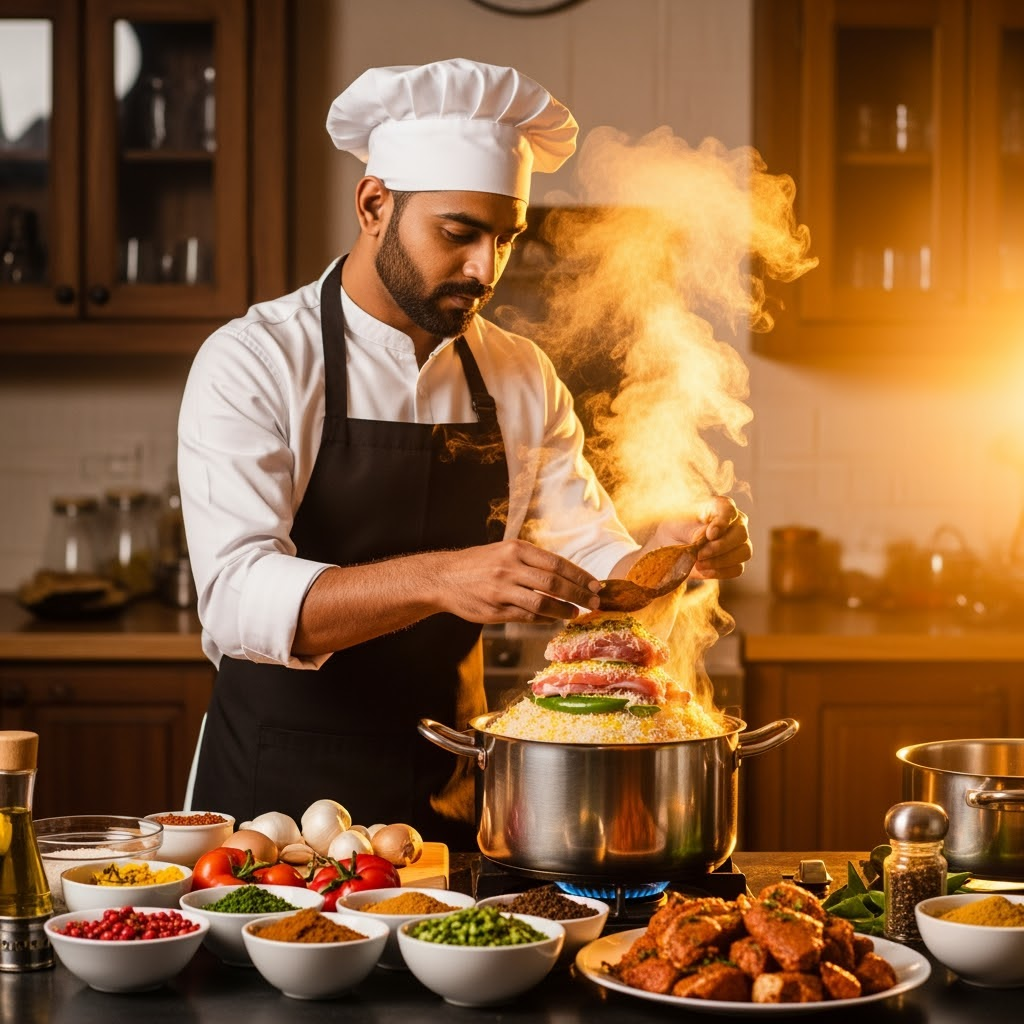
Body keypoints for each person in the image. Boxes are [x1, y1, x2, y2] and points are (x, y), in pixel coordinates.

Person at [178, 58, 751, 847]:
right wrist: (445, 577)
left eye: (505, 239)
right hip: (275, 804)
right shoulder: (257, 359)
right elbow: (238, 598)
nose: (485, 269)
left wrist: (668, 555)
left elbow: (594, 568)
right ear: (374, 205)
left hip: (448, 788)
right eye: (458, 234)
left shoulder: (518, 375)